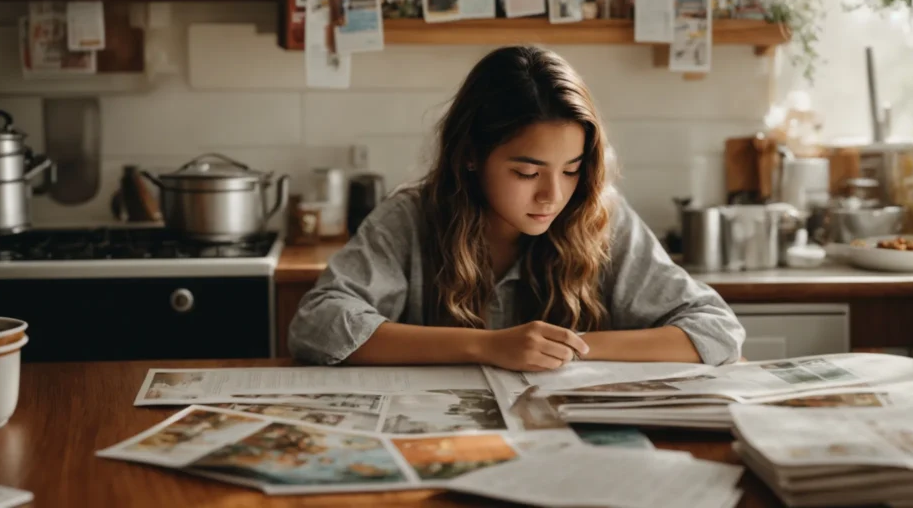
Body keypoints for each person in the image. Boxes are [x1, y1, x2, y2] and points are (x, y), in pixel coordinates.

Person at [289, 46, 745, 372]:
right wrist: (487, 347)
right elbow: (320, 324)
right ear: (470, 155)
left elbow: (716, 330)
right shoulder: (410, 217)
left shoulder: (600, 214)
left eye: (570, 169)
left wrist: (565, 348)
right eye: (527, 173)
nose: (553, 195)